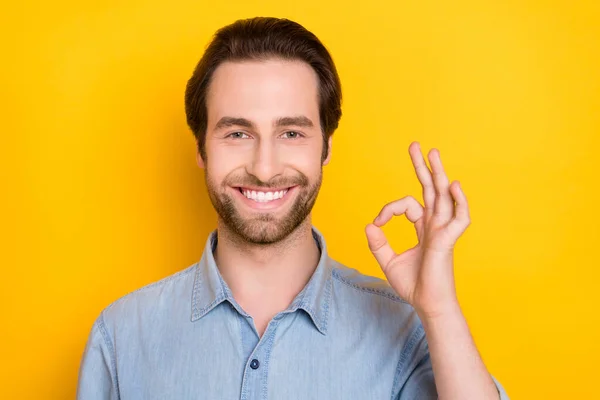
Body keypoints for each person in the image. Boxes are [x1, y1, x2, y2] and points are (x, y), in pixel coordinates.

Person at [77, 17, 509, 400]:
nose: (264, 169)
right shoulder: (120, 337)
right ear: (201, 148)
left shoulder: (407, 330)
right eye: (237, 134)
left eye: (291, 134)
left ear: (325, 148)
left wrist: (438, 310)